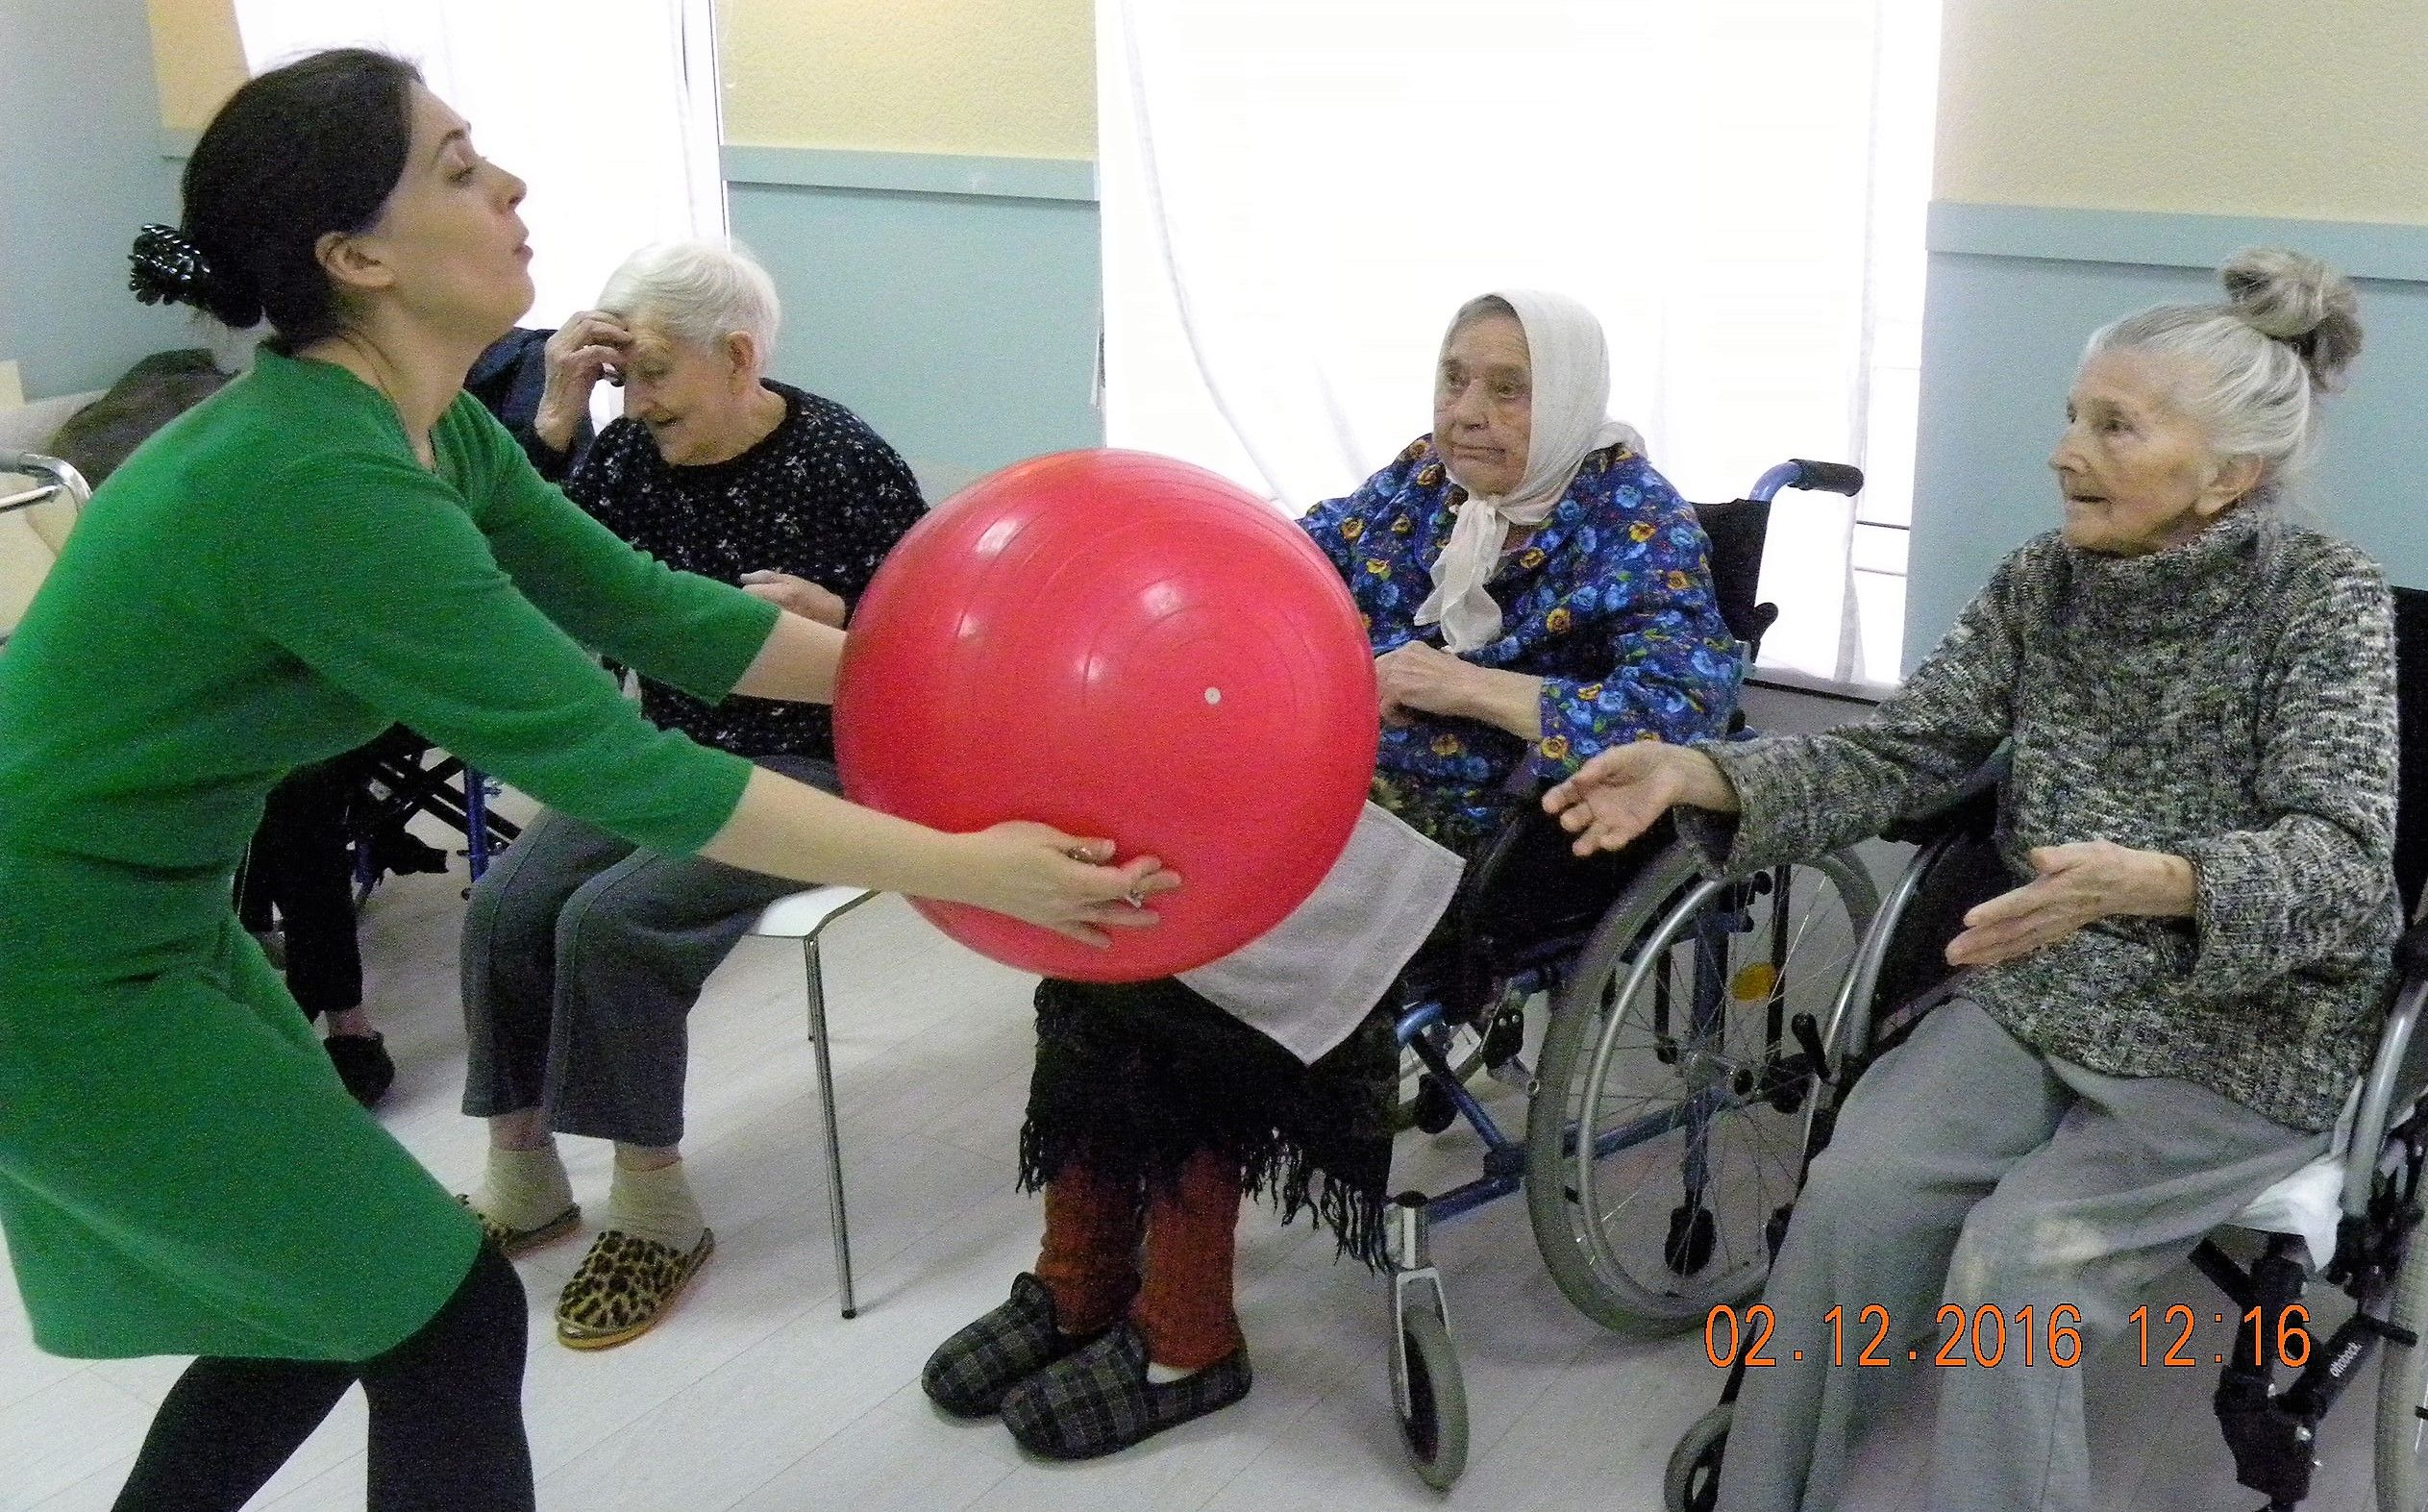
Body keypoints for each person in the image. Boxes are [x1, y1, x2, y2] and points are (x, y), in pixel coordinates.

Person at [0, 49, 1170, 1512]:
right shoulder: (319, 482)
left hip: (142, 921)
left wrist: (959, 671)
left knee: (320, 1300)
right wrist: (974, 861)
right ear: (356, 257)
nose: (510, 185)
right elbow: (631, 765)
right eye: (456, 167)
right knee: (445, 1310)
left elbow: (660, 611)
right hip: (47, 955)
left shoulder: (424, 424)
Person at [1544, 249, 2395, 1512]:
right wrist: (1704, 775)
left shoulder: (2323, 606)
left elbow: (2341, 863)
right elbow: (1906, 749)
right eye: (2070, 415)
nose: (2063, 452)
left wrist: (2158, 881)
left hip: (2240, 1023)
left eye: (2113, 426)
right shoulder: (2038, 582)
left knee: (2018, 1269)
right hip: (2042, 977)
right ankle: (1765, 1488)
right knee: (1854, 1190)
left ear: (2231, 472)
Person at [922, 289, 1743, 1457]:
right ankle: (1078, 1278)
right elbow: (1289, 563)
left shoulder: (1634, 519)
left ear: (1565, 398)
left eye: (1506, 389)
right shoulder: (1425, 483)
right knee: (1116, 917)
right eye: (1454, 378)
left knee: (1199, 973)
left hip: (1479, 840)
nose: (1466, 413)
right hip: (1317, 784)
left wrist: (1468, 687)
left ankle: (1187, 1333)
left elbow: (1687, 706)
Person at [458, 239, 929, 1350]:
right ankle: (522, 1175)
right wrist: (562, 415)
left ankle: (656, 1208)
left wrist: (842, 623)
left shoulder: (842, 458)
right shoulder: (622, 453)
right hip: (671, 745)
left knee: (613, 921)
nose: (640, 398)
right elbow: (529, 575)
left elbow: (945, 639)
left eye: (655, 372)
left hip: (819, 760)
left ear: (738, 354)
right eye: (625, 373)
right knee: (509, 905)